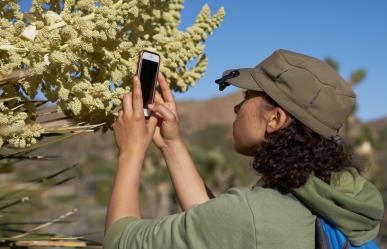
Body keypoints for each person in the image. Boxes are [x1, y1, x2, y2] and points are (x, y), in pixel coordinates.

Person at [103, 49, 384, 249]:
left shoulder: (254, 216)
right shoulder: (332, 197)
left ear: (275, 119)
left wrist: (131, 153)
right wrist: (171, 144)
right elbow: (218, 226)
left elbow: (119, 241)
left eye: (249, 96)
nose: (238, 107)